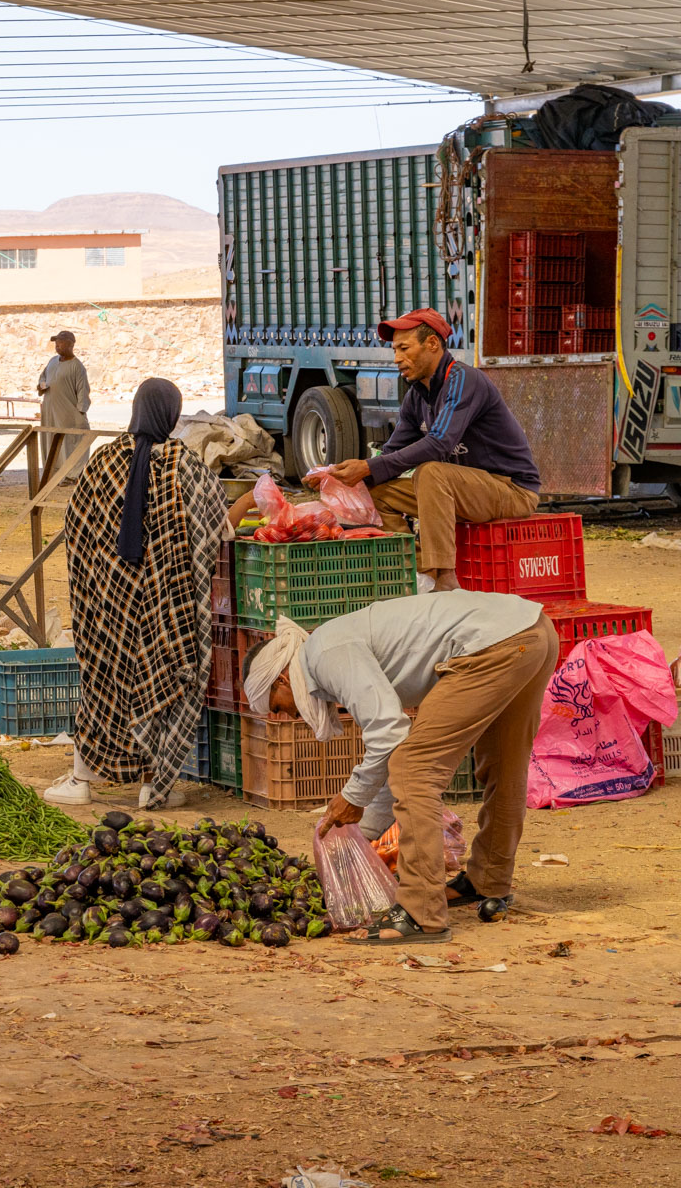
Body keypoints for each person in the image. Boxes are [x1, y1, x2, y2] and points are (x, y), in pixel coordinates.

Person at [242, 591, 556, 944]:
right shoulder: (327, 649)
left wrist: (353, 798)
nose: (287, 715)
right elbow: (387, 746)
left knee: (414, 766)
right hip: (533, 632)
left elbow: (390, 735)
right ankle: (489, 881)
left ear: (282, 679)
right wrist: (361, 832)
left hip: (494, 645)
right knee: (503, 763)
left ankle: (420, 913)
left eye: (276, 706)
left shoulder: (324, 654)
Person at [49, 379, 228, 810]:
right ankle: (153, 784)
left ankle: (81, 780)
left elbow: (77, 527)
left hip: (108, 602)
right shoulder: (186, 466)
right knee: (156, 686)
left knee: (102, 684)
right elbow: (215, 529)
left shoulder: (103, 462)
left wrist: (101, 578)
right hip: (166, 607)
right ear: (172, 414)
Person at [309, 309, 540, 590]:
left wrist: (369, 467)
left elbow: (440, 443)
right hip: (462, 492)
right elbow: (391, 454)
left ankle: (445, 578)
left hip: (510, 489)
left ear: (432, 344)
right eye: (395, 350)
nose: (397, 358)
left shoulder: (465, 380)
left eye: (404, 348)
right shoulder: (416, 396)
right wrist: (340, 476)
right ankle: (419, 572)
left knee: (430, 472)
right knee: (377, 491)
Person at [37, 330, 92, 484]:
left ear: (70, 344)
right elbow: (43, 378)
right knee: (51, 441)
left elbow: (83, 390)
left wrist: (80, 413)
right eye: (56, 343)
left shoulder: (77, 366)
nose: (57, 346)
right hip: (50, 411)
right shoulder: (52, 361)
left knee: (70, 442)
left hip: (68, 413)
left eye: (60, 343)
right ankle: (53, 473)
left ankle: (72, 474)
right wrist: (41, 386)